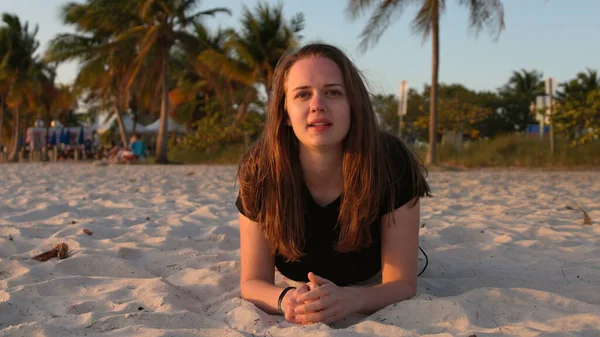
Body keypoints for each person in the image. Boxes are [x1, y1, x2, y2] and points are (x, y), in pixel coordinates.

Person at [235, 43, 432, 325]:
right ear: (286, 113)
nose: (318, 105)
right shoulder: (261, 171)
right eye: (303, 94)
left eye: (333, 92)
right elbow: (253, 281)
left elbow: (402, 284)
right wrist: (286, 299)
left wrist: (353, 299)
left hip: (368, 280)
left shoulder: (390, 163)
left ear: (353, 105)